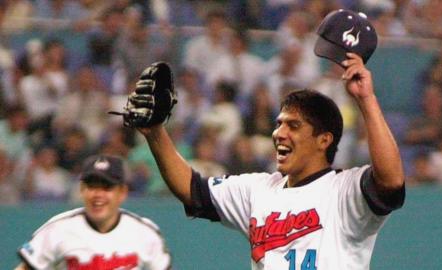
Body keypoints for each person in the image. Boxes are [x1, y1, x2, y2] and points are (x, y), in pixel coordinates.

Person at [128, 9, 405, 269]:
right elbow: (192, 189)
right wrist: (155, 132)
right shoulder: (258, 190)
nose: (279, 133)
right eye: (279, 124)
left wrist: (366, 99)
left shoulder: (345, 191)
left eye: (293, 126)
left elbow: (391, 180)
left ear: (323, 140)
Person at [16, 154, 172, 270]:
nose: (98, 194)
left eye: (107, 187)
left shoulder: (145, 233)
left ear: (122, 192)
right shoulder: (56, 229)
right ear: (82, 190)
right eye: (92, 187)